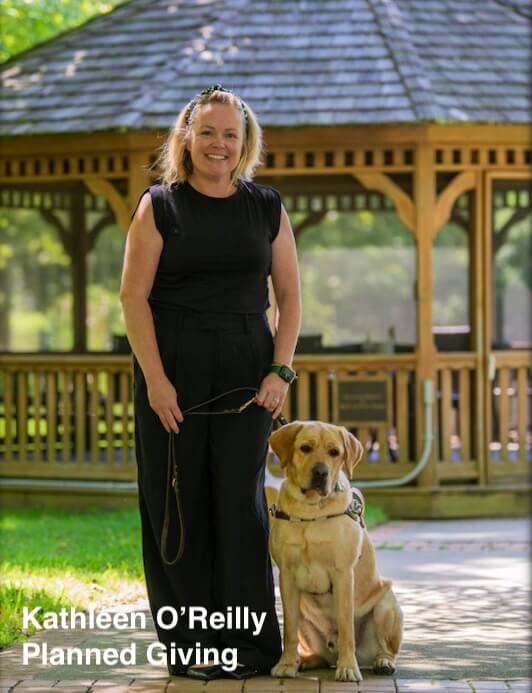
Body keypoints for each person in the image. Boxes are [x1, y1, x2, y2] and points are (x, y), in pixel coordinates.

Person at [120, 85, 301, 680]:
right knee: (178, 504)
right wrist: (156, 382)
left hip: (248, 374)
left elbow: (291, 298)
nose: (219, 144)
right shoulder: (159, 205)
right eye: (208, 133)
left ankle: (249, 649)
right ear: (187, 138)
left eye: (230, 134)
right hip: (171, 372)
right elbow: (133, 297)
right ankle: (193, 650)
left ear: (244, 142)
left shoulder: (267, 207)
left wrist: (279, 370)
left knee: (241, 509)